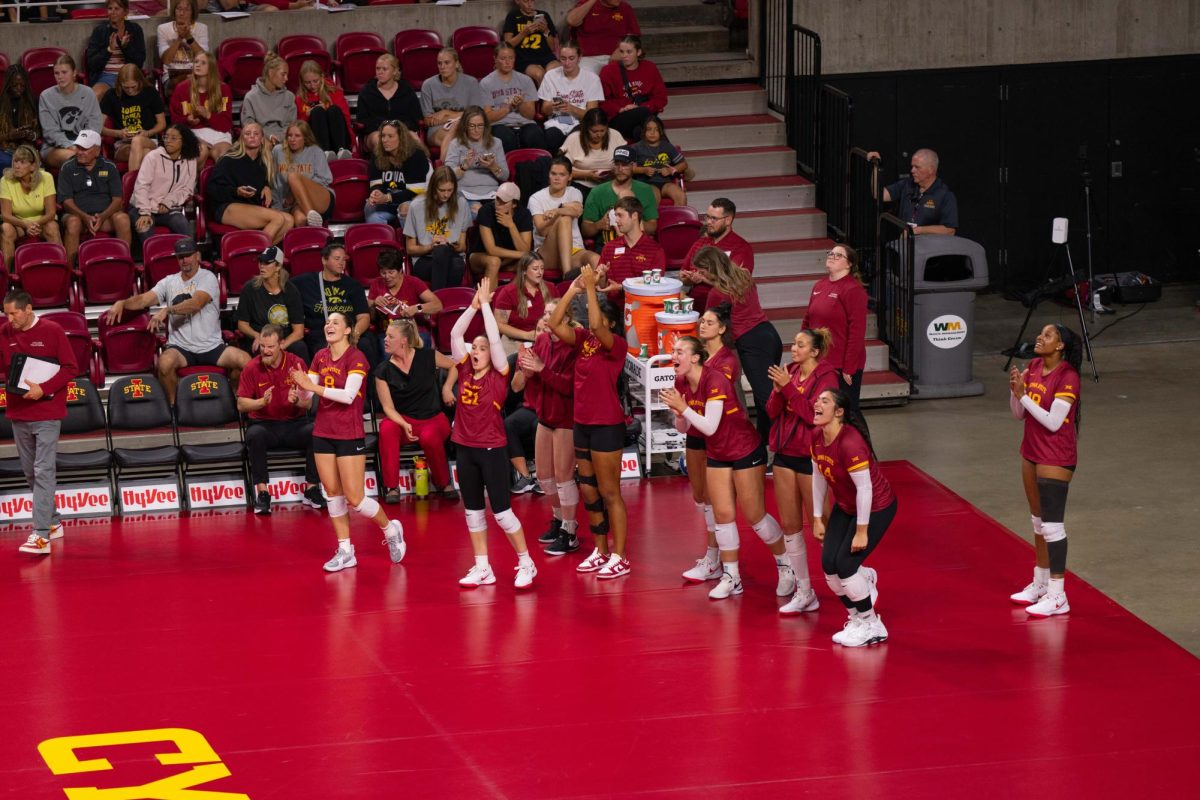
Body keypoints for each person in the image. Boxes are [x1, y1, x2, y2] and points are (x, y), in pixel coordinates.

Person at [663, 335, 791, 601]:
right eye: (673, 352)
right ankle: (732, 577)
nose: (674, 356)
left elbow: (709, 425)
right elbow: (685, 427)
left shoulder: (715, 379)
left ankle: (786, 564)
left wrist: (683, 408)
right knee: (722, 514)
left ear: (696, 357)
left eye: (679, 351)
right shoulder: (681, 381)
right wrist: (678, 414)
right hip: (718, 451)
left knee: (755, 516)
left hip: (745, 450)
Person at [289, 311, 406, 572]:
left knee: (355, 498)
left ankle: (390, 529)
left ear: (347, 330)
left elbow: (349, 396)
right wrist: (299, 394)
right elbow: (309, 396)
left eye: (335, 322)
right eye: (327, 321)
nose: (329, 325)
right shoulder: (320, 356)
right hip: (323, 432)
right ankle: (345, 550)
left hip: (348, 433)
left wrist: (312, 388)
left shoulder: (357, 357)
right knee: (332, 493)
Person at [449, 278, 538, 589]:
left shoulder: (500, 375)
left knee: (501, 513)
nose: (476, 350)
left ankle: (526, 562)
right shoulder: (463, 370)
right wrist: (472, 307)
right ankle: (482, 567)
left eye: (481, 347)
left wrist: (486, 305)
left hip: (491, 449)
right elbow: (454, 334)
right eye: (474, 347)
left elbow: (497, 342)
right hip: (465, 447)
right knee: (473, 513)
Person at [548, 265, 631, 579]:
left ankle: (620, 555)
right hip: (581, 423)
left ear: (610, 323)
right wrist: (575, 288)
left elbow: (596, 323)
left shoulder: (616, 346)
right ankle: (601, 550)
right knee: (590, 493)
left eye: (599, 321)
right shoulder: (583, 340)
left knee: (610, 492)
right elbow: (555, 323)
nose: (590, 323)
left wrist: (595, 288)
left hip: (607, 424)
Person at [104, 237, 249, 404]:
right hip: (181, 348)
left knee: (245, 361)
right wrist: (123, 303)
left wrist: (167, 309)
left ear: (197, 256)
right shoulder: (169, 281)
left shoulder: (208, 277)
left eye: (188, 255)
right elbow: (144, 299)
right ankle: (173, 408)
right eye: (181, 257)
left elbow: (196, 304)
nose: (185, 260)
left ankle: (237, 402)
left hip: (212, 346)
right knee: (164, 364)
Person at [1008, 323, 1083, 618]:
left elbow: (1053, 422)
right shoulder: (1035, 365)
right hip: (1031, 452)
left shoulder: (1069, 378)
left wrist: (1024, 395)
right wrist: (1016, 393)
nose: (1040, 337)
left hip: (1056, 456)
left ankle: (1058, 595)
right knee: (1038, 523)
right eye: (1041, 333)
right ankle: (1040, 583)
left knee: (1053, 526)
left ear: (1061, 345)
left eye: (1048, 335)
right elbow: (1019, 414)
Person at [811, 388, 896, 647]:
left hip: (876, 508)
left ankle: (872, 624)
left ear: (839, 412)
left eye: (824, 401)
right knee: (829, 568)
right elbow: (818, 478)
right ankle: (857, 618)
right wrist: (816, 517)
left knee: (846, 567)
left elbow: (865, 488)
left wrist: (862, 530)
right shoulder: (816, 436)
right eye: (817, 399)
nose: (817, 403)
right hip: (846, 507)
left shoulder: (850, 443)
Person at [766, 327, 839, 614]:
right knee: (790, 526)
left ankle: (849, 577)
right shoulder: (791, 372)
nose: (793, 349)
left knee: (824, 525)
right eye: (794, 344)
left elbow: (815, 416)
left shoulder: (827, 378)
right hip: (784, 454)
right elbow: (772, 412)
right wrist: (777, 391)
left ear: (815, 351)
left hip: (811, 457)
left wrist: (788, 389)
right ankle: (804, 590)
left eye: (800, 345)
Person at [0, 289, 77, 556]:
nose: (10, 319)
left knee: (43, 470)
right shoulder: (4, 333)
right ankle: (54, 522)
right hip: (18, 412)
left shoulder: (52, 330)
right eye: (6, 314)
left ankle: (41, 534)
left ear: (29, 308)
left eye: (14, 313)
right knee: (30, 472)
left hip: (47, 411)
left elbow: (70, 368)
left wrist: (43, 389)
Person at [677, 303, 745, 585]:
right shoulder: (690, 363)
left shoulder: (727, 361)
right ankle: (713, 558)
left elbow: (713, 403)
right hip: (696, 434)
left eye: (709, 321)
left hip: (720, 438)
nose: (702, 325)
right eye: (701, 321)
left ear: (722, 328)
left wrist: (686, 406)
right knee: (701, 497)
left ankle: (717, 558)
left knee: (720, 503)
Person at [693, 246, 781, 446]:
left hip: (751, 344)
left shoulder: (717, 294)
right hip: (769, 334)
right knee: (768, 396)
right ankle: (765, 443)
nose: (700, 274)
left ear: (711, 267)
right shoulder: (744, 277)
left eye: (702, 270)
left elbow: (711, 321)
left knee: (766, 399)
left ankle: (780, 446)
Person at [236, 323, 325, 515]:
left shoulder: (297, 363)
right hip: (265, 426)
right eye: (262, 346)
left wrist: (298, 401)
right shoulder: (251, 367)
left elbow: (310, 404)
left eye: (270, 347)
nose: (265, 351)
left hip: (295, 424)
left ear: (281, 344)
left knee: (316, 431)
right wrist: (261, 402)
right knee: (254, 434)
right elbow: (241, 404)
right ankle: (263, 493)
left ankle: (311, 489)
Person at [517, 301, 580, 554]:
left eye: (551, 314)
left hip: (566, 417)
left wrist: (542, 370)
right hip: (544, 414)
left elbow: (568, 387)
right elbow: (526, 382)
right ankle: (559, 520)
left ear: (565, 319)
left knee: (564, 478)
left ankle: (570, 531)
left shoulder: (575, 345)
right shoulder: (542, 340)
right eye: (544, 313)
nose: (545, 318)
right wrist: (528, 372)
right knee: (544, 477)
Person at [374, 318, 458, 503]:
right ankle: (392, 486)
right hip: (404, 420)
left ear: (403, 340)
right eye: (386, 335)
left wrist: (446, 388)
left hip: (433, 418)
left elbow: (453, 366)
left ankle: (443, 483)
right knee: (387, 428)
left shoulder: (428, 356)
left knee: (429, 436)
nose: (385, 339)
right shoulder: (383, 370)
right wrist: (403, 424)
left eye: (390, 336)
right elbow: (388, 407)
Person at [801, 244, 869, 410]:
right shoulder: (819, 286)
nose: (832, 256)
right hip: (819, 361)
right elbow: (807, 321)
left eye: (839, 255)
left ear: (849, 264)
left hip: (841, 364)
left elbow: (857, 332)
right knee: (822, 409)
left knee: (847, 412)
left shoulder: (853, 289)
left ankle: (860, 437)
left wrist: (849, 367)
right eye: (830, 253)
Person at [205, 123, 294, 244]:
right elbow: (212, 189)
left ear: (262, 139)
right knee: (277, 218)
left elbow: (265, 181)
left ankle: (255, 252)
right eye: (247, 134)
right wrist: (236, 191)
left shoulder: (264, 162)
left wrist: (267, 186)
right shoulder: (229, 160)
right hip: (226, 206)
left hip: (250, 206)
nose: (252, 136)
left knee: (289, 220)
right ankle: (257, 258)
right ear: (242, 138)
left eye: (256, 134)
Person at [57, 130, 132, 265]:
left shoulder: (109, 167)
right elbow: (66, 202)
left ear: (97, 151)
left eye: (85, 149)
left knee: (123, 219)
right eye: (78, 147)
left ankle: (123, 265)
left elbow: (117, 200)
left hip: (104, 218)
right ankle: (68, 270)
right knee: (73, 222)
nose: (79, 152)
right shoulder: (67, 167)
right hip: (78, 217)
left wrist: (102, 216)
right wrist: (84, 217)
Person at [293, 242, 373, 364]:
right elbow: (282, 284)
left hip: (349, 332)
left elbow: (364, 317)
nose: (342, 263)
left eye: (344, 259)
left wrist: (353, 336)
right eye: (337, 259)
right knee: (320, 348)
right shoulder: (306, 282)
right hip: (321, 334)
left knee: (365, 345)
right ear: (324, 260)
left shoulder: (353, 285)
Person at [592, 196, 666, 323]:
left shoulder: (655, 250)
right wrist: (602, 276)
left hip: (642, 312)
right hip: (614, 313)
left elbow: (654, 287)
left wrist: (622, 287)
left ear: (634, 216)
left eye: (621, 215)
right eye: (615, 216)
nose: (616, 220)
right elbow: (602, 286)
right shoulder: (609, 247)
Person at [529, 156, 599, 277]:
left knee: (596, 260)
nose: (557, 178)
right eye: (553, 174)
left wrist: (557, 210)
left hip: (574, 250)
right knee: (565, 219)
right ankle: (567, 275)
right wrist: (561, 213)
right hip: (547, 253)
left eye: (562, 175)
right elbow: (542, 231)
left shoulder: (574, 192)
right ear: (548, 175)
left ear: (570, 177)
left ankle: (600, 295)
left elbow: (577, 211)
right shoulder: (536, 198)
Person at [403, 166, 470, 291]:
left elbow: (462, 247)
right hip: (424, 260)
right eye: (442, 190)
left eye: (450, 190)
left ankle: (438, 302)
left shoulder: (462, 204)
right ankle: (443, 302)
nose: (446, 195)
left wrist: (454, 246)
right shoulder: (416, 206)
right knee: (441, 251)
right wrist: (431, 246)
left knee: (455, 263)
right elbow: (410, 249)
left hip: (452, 257)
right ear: (433, 188)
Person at [682, 197, 754, 313]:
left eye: (714, 218)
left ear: (728, 220)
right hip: (694, 307)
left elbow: (736, 284)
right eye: (707, 217)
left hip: (721, 310)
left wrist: (703, 279)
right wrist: (689, 279)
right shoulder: (700, 243)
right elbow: (682, 274)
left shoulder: (741, 248)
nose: (708, 222)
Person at [236, 246, 307, 361]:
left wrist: (281, 346)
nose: (262, 266)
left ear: (278, 266)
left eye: (267, 263)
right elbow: (242, 324)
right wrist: (257, 336)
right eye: (260, 262)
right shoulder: (250, 288)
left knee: (300, 348)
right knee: (259, 348)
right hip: (261, 338)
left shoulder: (291, 291)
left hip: (283, 339)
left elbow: (299, 332)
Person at [131, 124, 199, 245]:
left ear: (184, 142)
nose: (168, 141)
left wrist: (169, 201)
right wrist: (145, 212)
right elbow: (141, 186)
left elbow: (187, 189)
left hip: (168, 208)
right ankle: (154, 262)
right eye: (166, 137)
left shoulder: (190, 160)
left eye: (173, 138)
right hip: (143, 207)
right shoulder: (153, 157)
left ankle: (190, 258)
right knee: (144, 227)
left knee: (181, 222)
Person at [870, 147, 958, 235]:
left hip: (929, 247)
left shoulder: (945, 195)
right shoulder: (907, 184)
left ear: (930, 169)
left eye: (917, 167)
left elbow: (949, 230)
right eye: (912, 166)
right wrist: (876, 166)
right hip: (904, 246)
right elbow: (878, 194)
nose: (912, 171)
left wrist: (918, 230)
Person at [367, 248, 442, 351]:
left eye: (391, 272)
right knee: (385, 351)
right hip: (388, 332)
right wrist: (374, 303)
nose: (387, 277)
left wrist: (416, 308)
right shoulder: (376, 283)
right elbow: (367, 309)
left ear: (400, 271)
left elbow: (437, 305)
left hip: (413, 331)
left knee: (423, 345)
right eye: (383, 273)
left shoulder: (413, 282)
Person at [38, 55, 104, 170]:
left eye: (64, 72)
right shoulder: (46, 96)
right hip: (55, 148)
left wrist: (82, 146)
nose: (60, 77)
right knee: (75, 158)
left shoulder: (88, 93)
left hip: (85, 146)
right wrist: (70, 146)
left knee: (85, 157)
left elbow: (94, 125)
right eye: (56, 73)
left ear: (74, 73)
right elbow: (50, 131)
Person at [169, 50, 233, 166]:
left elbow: (226, 125)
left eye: (203, 63)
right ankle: (194, 183)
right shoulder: (181, 89)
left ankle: (221, 183)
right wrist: (187, 121)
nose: (198, 65)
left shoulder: (223, 89)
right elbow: (174, 123)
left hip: (218, 133)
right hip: (192, 133)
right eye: (196, 62)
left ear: (212, 68)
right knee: (200, 152)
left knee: (225, 156)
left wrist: (208, 115)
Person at [0, 145, 61, 266]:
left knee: (52, 227)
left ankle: (58, 269)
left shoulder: (46, 178)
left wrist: (34, 224)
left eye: (22, 162)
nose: (16, 166)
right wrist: (25, 224)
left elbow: (51, 213)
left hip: (41, 223)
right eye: (15, 161)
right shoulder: (6, 180)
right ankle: (7, 277)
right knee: (6, 228)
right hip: (19, 224)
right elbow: (6, 215)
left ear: (33, 166)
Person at [598, 36, 667, 142]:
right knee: (644, 115)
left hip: (643, 114)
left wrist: (639, 107)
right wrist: (621, 108)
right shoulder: (608, 71)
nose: (625, 56)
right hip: (618, 118)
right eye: (622, 52)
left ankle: (656, 156)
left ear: (638, 52)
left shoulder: (650, 68)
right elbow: (601, 102)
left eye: (629, 52)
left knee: (639, 131)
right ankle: (670, 151)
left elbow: (661, 98)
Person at [581, 145, 658, 240]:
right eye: (617, 164)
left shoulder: (645, 190)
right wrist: (599, 225)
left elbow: (653, 227)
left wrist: (633, 221)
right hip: (606, 246)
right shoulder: (597, 192)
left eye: (625, 164)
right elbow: (585, 230)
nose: (620, 169)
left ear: (633, 165)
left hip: (637, 247)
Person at [536, 42, 602, 154]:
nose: (567, 63)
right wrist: (554, 106)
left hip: (580, 122)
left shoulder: (592, 78)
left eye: (571, 58)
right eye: (563, 59)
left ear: (579, 58)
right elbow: (544, 110)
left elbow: (592, 115)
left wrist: (572, 109)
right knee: (552, 137)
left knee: (575, 138)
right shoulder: (550, 76)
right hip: (556, 120)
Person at [100, 64, 167, 172]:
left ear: (140, 82)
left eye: (133, 87)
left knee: (137, 140)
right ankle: (138, 186)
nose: (130, 91)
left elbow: (162, 123)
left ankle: (130, 185)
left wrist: (147, 133)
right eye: (126, 87)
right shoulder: (111, 95)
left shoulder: (150, 93)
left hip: (148, 140)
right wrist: (118, 133)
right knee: (145, 153)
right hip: (123, 144)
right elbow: (98, 127)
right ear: (120, 84)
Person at [364, 120, 431, 228]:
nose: (385, 140)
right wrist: (376, 194)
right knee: (370, 207)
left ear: (402, 138)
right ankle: (381, 243)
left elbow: (415, 192)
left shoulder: (416, 156)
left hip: (420, 197)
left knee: (405, 208)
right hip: (392, 198)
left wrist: (386, 198)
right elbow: (376, 183)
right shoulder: (378, 154)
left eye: (390, 136)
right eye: (383, 136)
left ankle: (411, 243)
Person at [481, 43, 546, 152]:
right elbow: (487, 117)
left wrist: (521, 104)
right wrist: (509, 107)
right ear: (495, 59)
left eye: (511, 58)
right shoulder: (486, 83)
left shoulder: (526, 80)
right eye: (503, 58)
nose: (507, 62)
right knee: (506, 138)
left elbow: (530, 115)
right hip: (499, 125)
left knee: (535, 135)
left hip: (524, 123)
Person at [420, 48, 488, 150]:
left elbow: (476, 114)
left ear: (456, 64)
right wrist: (462, 115)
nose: (442, 67)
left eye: (447, 63)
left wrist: (446, 113)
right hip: (437, 130)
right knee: (453, 140)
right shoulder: (428, 85)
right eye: (439, 63)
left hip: (466, 126)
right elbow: (428, 120)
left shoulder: (471, 83)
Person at [356, 54, 423, 156]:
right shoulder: (367, 92)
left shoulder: (406, 90)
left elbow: (415, 118)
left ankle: (424, 167)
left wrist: (398, 129)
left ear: (395, 71)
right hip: (376, 132)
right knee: (381, 139)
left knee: (414, 138)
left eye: (384, 69)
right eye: (378, 68)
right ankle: (386, 168)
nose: (380, 72)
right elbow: (362, 121)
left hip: (402, 130)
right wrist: (385, 128)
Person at [272, 120, 333, 228]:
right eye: (290, 135)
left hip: (319, 197)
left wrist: (297, 190)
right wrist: (279, 205)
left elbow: (325, 180)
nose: (292, 139)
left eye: (297, 136)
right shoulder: (278, 151)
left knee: (293, 176)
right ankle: (312, 235)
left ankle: (310, 213)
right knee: (300, 219)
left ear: (305, 138)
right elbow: (274, 182)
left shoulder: (315, 151)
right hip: (292, 203)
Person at [443, 105, 509, 205]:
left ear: (485, 126)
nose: (476, 129)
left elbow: (505, 176)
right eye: (472, 126)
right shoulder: (455, 144)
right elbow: (447, 175)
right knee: (476, 212)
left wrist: (493, 166)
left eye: (480, 125)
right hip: (464, 193)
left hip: (491, 192)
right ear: (465, 126)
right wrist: (463, 167)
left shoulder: (496, 143)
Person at [469, 182, 532, 286]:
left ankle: (513, 299)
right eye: (497, 199)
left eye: (504, 202)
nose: (498, 204)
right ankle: (487, 301)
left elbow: (525, 248)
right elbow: (491, 249)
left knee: (531, 264)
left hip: (509, 259)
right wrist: (522, 255)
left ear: (514, 204)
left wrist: (511, 226)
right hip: (480, 256)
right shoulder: (486, 211)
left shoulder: (524, 214)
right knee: (494, 261)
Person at [84, 0, 147, 100]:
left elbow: (139, 62)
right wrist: (109, 50)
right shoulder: (100, 31)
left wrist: (126, 47)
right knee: (94, 96)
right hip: (106, 76)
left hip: (129, 75)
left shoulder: (135, 29)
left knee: (150, 95)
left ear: (126, 11)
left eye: (117, 8)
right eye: (110, 8)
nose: (112, 12)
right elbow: (92, 63)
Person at [295, 60, 353, 159]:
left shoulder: (335, 92)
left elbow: (346, 119)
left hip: (339, 137)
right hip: (315, 141)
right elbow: (298, 128)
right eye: (307, 83)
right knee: (317, 112)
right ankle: (324, 152)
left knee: (333, 109)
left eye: (315, 81)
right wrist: (307, 116)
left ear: (322, 77)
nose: (312, 86)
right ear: (302, 81)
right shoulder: (299, 99)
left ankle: (342, 150)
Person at [567, 0, 641, 74]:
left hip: (617, 55)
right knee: (585, 75)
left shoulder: (625, 7)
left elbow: (634, 35)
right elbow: (571, 21)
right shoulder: (587, 4)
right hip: (589, 58)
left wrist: (621, 50)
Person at [561, 107, 625, 191]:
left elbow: (627, 164)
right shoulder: (574, 138)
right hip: (581, 184)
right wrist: (586, 175)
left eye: (602, 131)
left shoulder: (615, 135)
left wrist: (615, 172)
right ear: (586, 128)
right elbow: (561, 169)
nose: (599, 134)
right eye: (594, 131)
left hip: (612, 183)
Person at [629, 114, 687, 206]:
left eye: (656, 130)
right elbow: (630, 168)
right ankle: (653, 220)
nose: (652, 133)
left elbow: (683, 165)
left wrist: (670, 170)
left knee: (680, 195)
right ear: (643, 131)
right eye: (649, 129)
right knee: (653, 196)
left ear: (661, 132)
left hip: (665, 183)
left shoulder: (667, 146)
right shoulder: (636, 147)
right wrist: (643, 170)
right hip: (646, 184)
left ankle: (678, 220)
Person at [493, 251, 550, 343]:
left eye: (542, 268)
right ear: (524, 271)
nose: (540, 272)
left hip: (546, 339)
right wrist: (527, 335)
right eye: (535, 269)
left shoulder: (550, 288)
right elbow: (499, 324)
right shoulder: (508, 292)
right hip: (516, 340)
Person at [241, 54, 296, 148]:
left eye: (287, 75)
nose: (286, 79)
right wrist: (267, 136)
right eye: (283, 74)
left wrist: (280, 138)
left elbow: (290, 124)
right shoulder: (251, 97)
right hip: (260, 138)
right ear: (271, 73)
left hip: (285, 139)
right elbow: (248, 125)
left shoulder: (289, 96)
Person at [502, 0, 561, 86]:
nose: (530, 5)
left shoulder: (544, 15)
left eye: (532, 1)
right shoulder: (513, 16)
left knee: (556, 71)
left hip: (546, 56)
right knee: (539, 74)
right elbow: (507, 45)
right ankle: (546, 99)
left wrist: (546, 31)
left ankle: (557, 98)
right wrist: (523, 33)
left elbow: (552, 47)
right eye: (526, 1)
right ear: (518, 1)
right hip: (525, 59)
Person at [157, 0, 209, 93]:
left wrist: (189, 37)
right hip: (171, 78)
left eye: (186, 10)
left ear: (193, 12)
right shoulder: (163, 29)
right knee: (185, 82)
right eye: (179, 9)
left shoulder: (202, 28)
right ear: (174, 11)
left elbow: (204, 58)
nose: (182, 13)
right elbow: (166, 60)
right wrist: (179, 38)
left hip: (197, 74)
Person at [0, 66, 41, 171]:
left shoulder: (32, 101)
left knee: (31, 163)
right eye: (15, 85)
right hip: (4, 149)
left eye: (22, 85)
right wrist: (9, 136)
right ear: (9, 85)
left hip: (26, 148)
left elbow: (39, 131)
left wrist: (31, 135)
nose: (19, 88)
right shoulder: (1, 103)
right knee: (7, 162)